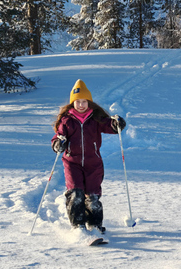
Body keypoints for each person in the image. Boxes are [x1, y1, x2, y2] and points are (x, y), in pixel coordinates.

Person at [51, 79, 126, 232]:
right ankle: (78, 226)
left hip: (94, 164)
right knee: (76, 192)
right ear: (73, 103)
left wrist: (116, 124)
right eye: (78, 101)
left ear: (89, 102)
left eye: (84, 101)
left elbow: (109, 126)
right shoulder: (67, 121)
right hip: (72, 163)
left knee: (92, 195)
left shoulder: (95, 119)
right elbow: (58, 136)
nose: (81, 105)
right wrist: (58, 143)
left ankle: (95, 224)